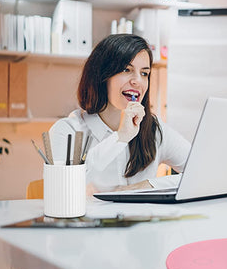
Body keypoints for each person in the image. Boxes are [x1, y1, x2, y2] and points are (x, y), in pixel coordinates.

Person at [49, 34, 190, 194]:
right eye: (126, 70)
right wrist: (120, 138)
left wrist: (148, 185)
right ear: (102, 76)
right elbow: (60, 190)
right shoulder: (68, 131)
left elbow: (201, 171)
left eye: (144, 73)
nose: (137, 81)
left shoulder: (154, 129)